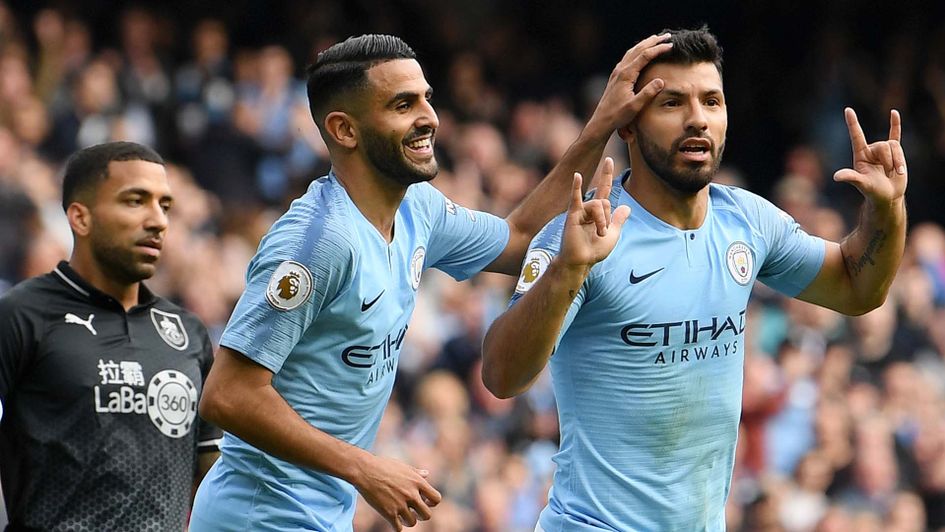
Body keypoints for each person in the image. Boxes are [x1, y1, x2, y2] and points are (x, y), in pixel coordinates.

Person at [190, 33, 674, 531]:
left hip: (319, 514)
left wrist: (601, 126)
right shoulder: (319, 241)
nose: (429, 117)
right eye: (403, 104)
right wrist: (366, 469)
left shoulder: (417, 208)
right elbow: (228, 394)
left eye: (426, 98)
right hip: (255, 518)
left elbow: (520, 237)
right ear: (344, 129)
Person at [481, 27, 908, 532]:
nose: (698, 120)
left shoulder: (746, 220)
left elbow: (858, 289)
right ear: (629, 126)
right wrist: (567, 271)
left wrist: (887, 210)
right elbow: (501, 377)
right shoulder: (582, 234)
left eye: (711, 100)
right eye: (672, 104)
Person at [0, 141, 221, 530]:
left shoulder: (188, 333)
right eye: (135, 201)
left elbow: (213, 478)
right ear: (80, 218)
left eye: (164, 205)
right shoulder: (21, 315)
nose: (158, 221)